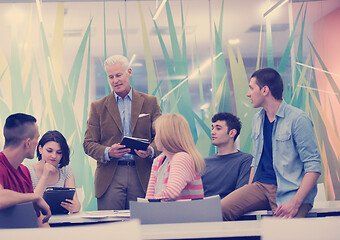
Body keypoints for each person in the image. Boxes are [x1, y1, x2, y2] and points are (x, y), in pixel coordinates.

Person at [220, 68, 321, 220]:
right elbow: (256, 160)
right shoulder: (258, 120)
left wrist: (295, 203)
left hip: (291, 191)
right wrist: (248, 190)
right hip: (261, 186)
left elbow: (313, 167)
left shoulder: (298, 119)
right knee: (220, 210)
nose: (248, 94)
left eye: (251, 88)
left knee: (284, 233)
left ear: (265, 90)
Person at [83, 55, 162, 210]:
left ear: (129, 72)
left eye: (118, 75)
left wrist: (151, 150)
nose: (115, 80)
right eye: (110, 77)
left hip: (143, 173)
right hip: (110, 174)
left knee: (142, 225)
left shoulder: (150, 102)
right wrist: (108, 152)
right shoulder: (97, 107)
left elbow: (162, 136)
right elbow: (88, 143)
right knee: (110, 228)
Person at [0, 113, 51, 227]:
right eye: (37, 138)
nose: (37, 143)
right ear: (28, 142)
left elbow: (37, 217)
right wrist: (34, 196)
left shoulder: (24, 171)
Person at [146, 113, 206, 201]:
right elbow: (149, 196)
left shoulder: (182, 158)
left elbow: (172, 192)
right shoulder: (158, 161)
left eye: (157, 134)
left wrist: (148, 202)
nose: (155, 138)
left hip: (185, 214)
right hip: (166, 213)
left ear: (167, 136)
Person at [27, 130, 81, 214]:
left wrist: (76, 207)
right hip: (37, 221)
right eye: (49, 151)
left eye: (59, 152)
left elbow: (75, 202)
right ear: (40, 149)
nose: (54, 156)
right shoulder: (28, 171)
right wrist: (45, 175)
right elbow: (31, 205)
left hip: (61, 220)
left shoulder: (65, 170)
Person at [202, 112, 252, 199]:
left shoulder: (245, 160)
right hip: (203, 209)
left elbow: (241, 194)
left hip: (230, 210)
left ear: (232, 133)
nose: (212, 132)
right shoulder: (204, 162)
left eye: (218, 128)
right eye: (212, 128)